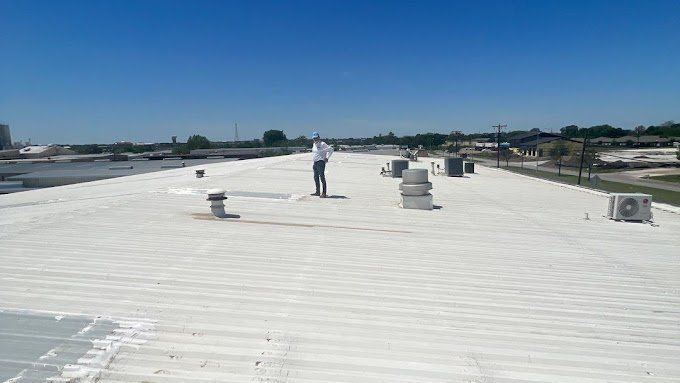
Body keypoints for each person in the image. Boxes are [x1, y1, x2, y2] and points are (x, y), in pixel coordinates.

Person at [310, 131, 333, 198]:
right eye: (314, 138)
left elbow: (331, 149)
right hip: (315, 162)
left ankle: (324, 193)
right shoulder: (314, 144)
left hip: (320, 162)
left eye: (316, 138)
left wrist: (327, 158)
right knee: (315, 177)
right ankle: (317, 192)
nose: (315, 139)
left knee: (322, 177)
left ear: (319, 137)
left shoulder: (323, 144)